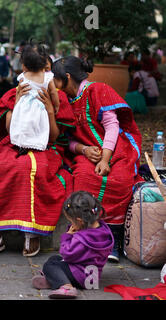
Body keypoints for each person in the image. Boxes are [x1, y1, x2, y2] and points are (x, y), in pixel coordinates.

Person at [0, 67, 76, 259]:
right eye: (34, 70)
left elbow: (54, 137)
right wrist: (17, 102)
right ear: (24, 71)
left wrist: (49, 109)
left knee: (33, 169)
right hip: (15, 144)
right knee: (0, 168)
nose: (39, 75)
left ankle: (32, 232)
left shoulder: (58, 98)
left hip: (46, 148)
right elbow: (9, 129)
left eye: (45, 70)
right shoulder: (12, 94)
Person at [52, 56, 143, 262]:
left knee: (120, 180)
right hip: (86, 152)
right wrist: (83, 150)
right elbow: (68, 140)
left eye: (56, 80)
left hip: (115, 148)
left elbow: (112, 126)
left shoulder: (97, 90)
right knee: (84, 178)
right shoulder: (63, 101)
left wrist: (105, 158)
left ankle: (114, 239)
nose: (54, 85)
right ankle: (90, 237)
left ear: (66, 77)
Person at [31, 191, 114, 299]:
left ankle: (66, 287)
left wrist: (68, 236)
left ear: (80, 221)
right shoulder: (104, 230)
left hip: (81, 277)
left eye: (71, 221)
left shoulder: (81, 239)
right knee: (55, 258)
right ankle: (54, 279)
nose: (71, 224)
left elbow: (66, 254)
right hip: (93, 276)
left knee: (50, 265)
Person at [9, 43, 60, 153]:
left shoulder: (22, 77)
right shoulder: (47, 77)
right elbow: (53, 92)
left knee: (22, 124)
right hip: (39, 108)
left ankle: (21, 144)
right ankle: (38, 144)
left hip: (23, 107)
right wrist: (56, 105)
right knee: (40, 127)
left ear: (24, 66)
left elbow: (19, 90)